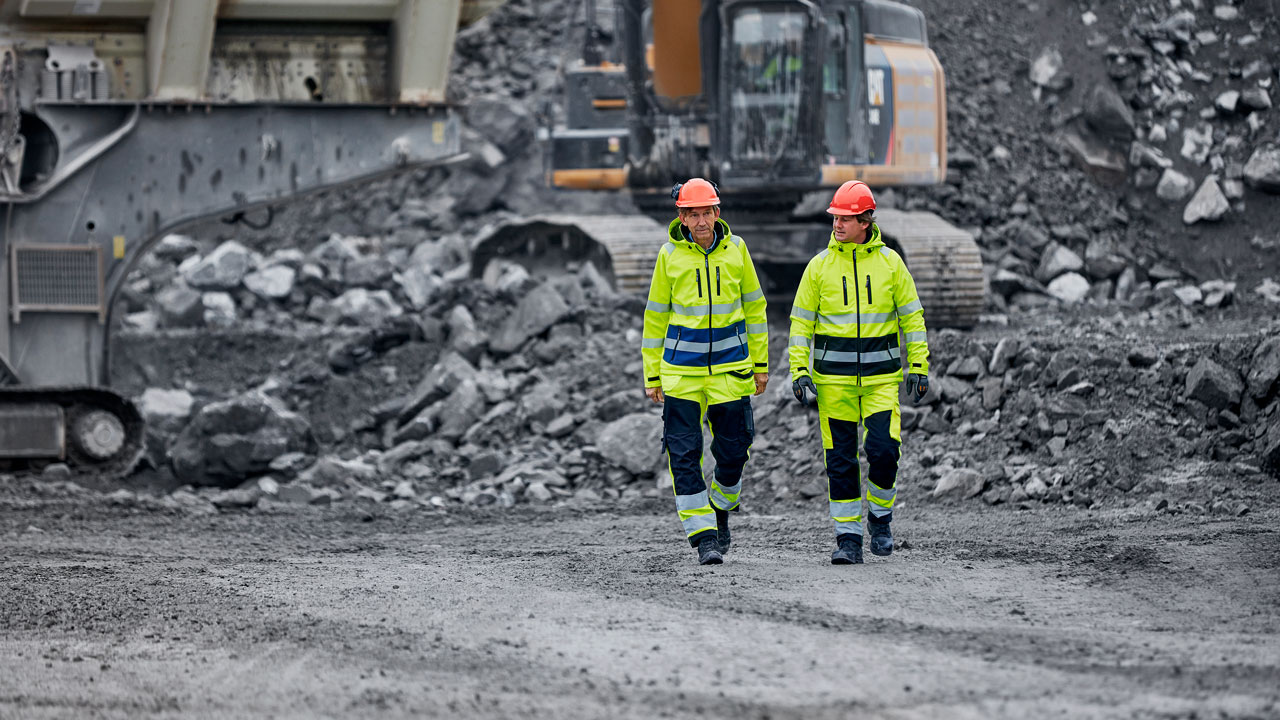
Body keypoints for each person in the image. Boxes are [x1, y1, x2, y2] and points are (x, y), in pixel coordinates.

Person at [788, 180, 930, 565]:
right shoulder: (818, 267)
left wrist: (918, 364)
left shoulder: (890, 264)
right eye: (834, 216)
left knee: (885, 451)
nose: (836, 223)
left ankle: (880, 519)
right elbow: (801, 324)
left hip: (881, 380)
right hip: (833, 383)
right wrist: (799, 370)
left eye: (845, 218)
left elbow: (912, 317)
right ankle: (848, 537)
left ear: (866, 220)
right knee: (841, 460)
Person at [641, 178, 769, 566]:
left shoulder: (737, 250)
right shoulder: (669, 256)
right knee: (683, 453)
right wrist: (652, 374)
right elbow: (656, 317)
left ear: (717, 213)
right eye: (692, 214)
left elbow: (755, 308)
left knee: (734, 450)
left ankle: (720, 510)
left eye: (706, 213)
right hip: (681, 374)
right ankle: (703, 537)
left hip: (731, 370)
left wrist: (761, 365)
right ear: (681, 217)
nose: (700, 221)